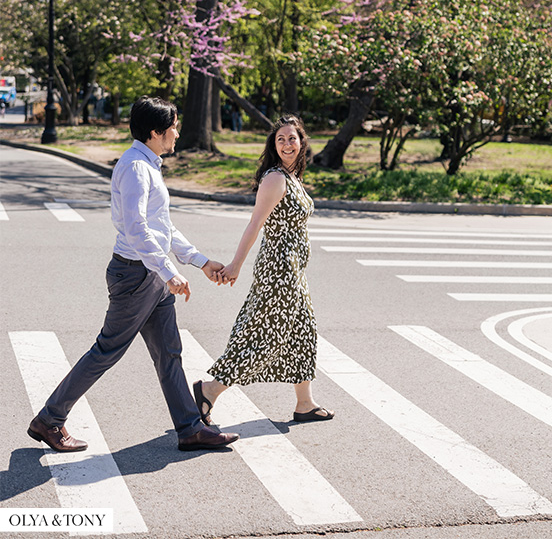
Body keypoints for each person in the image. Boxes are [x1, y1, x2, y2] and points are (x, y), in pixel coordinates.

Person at [27, 96, 240, 453]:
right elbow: (137, 228)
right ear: (156, 132)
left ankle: (189, 428)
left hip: (150, 274)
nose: (177, 132)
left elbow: (163, 227)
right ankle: (50, 420)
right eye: (173, 126)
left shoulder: (148, 164)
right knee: (107, 350)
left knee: (169, 351)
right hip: (136, 275)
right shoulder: (135, 168)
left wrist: (201, 262)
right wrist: (169, 272)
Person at [193, 115, 333, 423]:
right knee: (263, 336)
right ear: (273, 144)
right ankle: (210, 390)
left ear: (302, 142)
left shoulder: (292, 177)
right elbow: (255, 224)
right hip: (279, 272)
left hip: (295, 271)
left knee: (302, 333)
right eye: (280, 139)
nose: (286, 144)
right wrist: (235, 265)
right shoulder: (275, 178)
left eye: (292, 139)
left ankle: (304, 402)